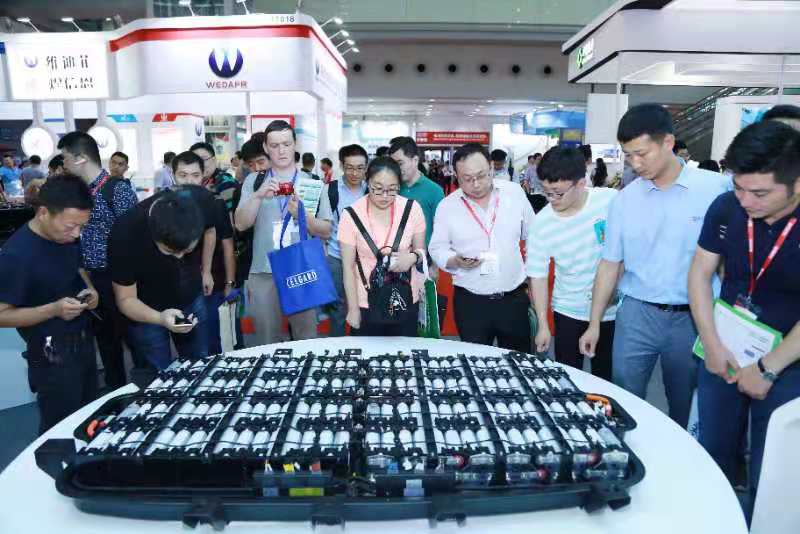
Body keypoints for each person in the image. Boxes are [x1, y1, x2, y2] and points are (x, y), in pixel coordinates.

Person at [578, 103, 731, 428]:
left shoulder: (714, 189)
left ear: (668, 143)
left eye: (642, 154)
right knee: (624, 396)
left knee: (686, 401)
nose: (635, 163)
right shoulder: (624, 200)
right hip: (637, 314)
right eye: (628, 155)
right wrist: (594, 322)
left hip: (693, 318)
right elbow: (610, 264)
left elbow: (727, 262)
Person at [688, 120, 800, 506]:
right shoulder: (725, 207)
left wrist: (769, 368)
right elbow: (699, 274)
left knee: (774, 470)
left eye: (760, 193)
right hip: (726, 347)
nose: (746, 201)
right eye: (738, 187)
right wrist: (711, 344)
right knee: (713, 450)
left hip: (788, 361)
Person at [0, 175, 98, 434]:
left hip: (83, 341)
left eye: (82, 227)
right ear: (43, 213)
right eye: (71, 226)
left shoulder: (67, 235)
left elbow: (77, 267)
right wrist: (53, 310)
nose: (76, 234)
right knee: (61, 428)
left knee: (89, 417)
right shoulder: (16, 256)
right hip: (51, 353)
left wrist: (90, 289)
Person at [430, 143, 535, 353]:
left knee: (519, 360)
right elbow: (437, 247)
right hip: (471, 301)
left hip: (513, 298)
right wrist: (454, 260)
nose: (476, 184)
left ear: (491, 167)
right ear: (456, 176)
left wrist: (532, 276)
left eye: (481, 175)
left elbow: (533, 235)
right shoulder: (448, 206)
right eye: (467, 179)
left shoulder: (514, 193)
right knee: (475, 361)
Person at [527, 147, 617, 381]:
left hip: (611, 311)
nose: (551, 199)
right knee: (569, 377)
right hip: (568, 309)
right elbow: (538, 276)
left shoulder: (609, 202)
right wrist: (543, 324)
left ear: (580, 183)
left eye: (558, 193)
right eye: (546, 192)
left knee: (607, 377)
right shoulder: (542, 223)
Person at [59, 131, 138, 390]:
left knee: (133, 339)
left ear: (81, 158)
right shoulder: (80, 192)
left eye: (66, 157)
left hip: (118, 277)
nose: (64, 163)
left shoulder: (117, 189)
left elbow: (135, 236)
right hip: (89, 277)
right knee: (105, 342)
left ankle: (144, 393)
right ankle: (115, 393)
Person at [110, 185, 217, 370]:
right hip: (146, 308)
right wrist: (160, 318)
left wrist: (206, 270)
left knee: (199, 365)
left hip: (191, 296)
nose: (180, 258)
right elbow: (126, 299)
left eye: (188, 250)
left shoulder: (200, 200)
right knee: (158, 375)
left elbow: (210, 231)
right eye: (171, 251)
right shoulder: (125, 232)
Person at [234, 120, 320, 345]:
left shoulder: (311, 182)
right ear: (265, 147)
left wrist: (303, 216)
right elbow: (240, 224)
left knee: (306, 338)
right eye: (274, 145)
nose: (281, 151)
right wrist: (258, 196)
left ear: (295, 144)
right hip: (264, 269)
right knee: (266, 338)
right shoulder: (254, 180)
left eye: (286, 144)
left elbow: (327, 229)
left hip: (300, 268)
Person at [338, 157, 426, 336]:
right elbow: (348, 267)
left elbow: (421, 252)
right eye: (377, 189)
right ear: (367, 182)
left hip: (405, 298)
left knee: (405, 351)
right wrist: (353, 309)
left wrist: (412, 257)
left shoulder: (412, 209)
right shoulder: (351, 215)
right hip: (366, 302)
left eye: (392, 189)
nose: (385, 196)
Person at [172, 151, 236, 355]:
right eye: (183, 175)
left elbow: (227, 243)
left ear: (203, 175)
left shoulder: (214, 203)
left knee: (210, 341)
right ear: (173, 175)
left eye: (195, 175)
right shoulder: (165, 206)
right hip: (175, 286)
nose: (189, 181)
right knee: (185, 345)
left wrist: (229, 283)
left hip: (210, 284)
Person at [315, 144, 369, 337]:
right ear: (341, 165)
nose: (355, 173)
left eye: (360, 168)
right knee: (337, 308)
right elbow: (323, 223)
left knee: (364, 305)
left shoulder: (372, 189)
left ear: (366, 167)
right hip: (336, 257)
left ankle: (361, 345)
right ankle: (337, 346)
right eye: (349, 167)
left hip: (366, 260)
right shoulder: (330, 190)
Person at [388, 137, 445, 250]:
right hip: (393, 253)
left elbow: (441, 230)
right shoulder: (391, 188)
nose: (396, 169)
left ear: (415, 160)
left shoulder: (434, 191)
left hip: (423, 254)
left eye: (400, 163)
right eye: (393, 165)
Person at [190, 142, 238, 211]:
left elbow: (230, 213)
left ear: (214, 160)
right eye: (194, 161)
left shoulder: (225, 182)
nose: (199, 164)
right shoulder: (197, 183)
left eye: (202, 159)